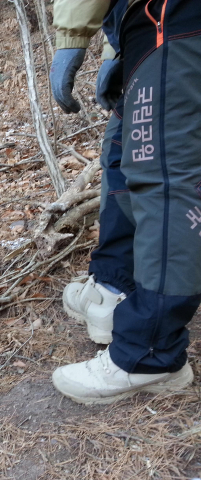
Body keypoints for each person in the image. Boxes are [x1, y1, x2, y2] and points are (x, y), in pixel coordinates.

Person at [48, 0, 201, 404]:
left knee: (164, 176)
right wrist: (112, 50)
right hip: (144, 25)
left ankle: (151, 353)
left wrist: (71, 32)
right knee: (123, 156)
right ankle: (115, 288)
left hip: (173, 17)